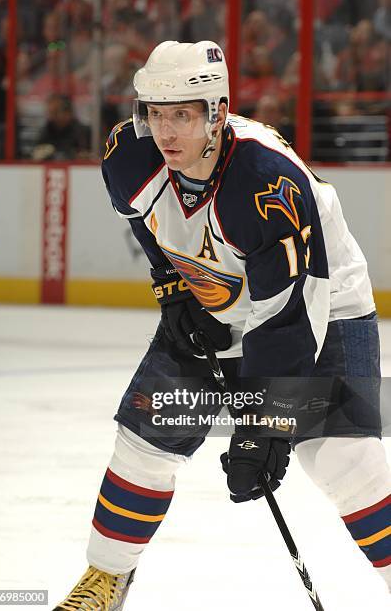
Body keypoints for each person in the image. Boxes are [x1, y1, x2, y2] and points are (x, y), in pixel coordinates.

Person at [54, 41, 391, 610]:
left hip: (322, 307)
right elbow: (147, 225)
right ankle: (107, 578)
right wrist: (170, 290)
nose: (166, 132)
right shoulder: (127, 155)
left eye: (182, 114)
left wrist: (266, 424)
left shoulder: (266, 181)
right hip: (211, 301)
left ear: (217, 111)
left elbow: (287, 315)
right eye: (155, 113)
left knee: (340, 457)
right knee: (143, 443)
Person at [32, 94, 91, 160]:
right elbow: (36, 153)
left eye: (55, 112)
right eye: (50, 112)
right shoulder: (47, 130)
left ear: (68, 113)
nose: (51, 116)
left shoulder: (83, 132)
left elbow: (88, 155)